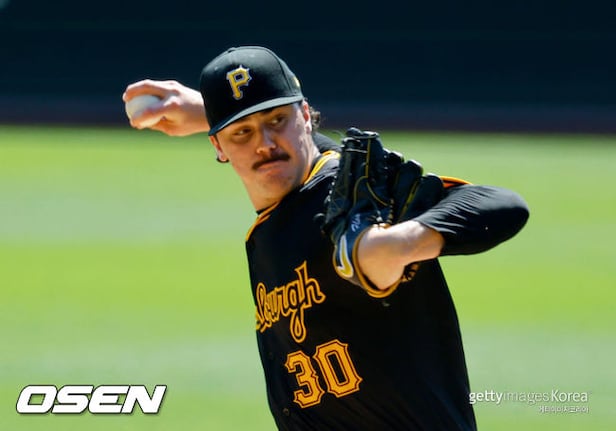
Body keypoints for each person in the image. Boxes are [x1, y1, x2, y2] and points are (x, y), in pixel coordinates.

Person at [123, 46, 529, 430]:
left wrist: (398, 245)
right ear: (218, 145)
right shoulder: (279, 213)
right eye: (242, 132)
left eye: (277, 120)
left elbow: (504, 205)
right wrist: (208, 110)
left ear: (306, 115)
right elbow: (287, 147)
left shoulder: (355, 202)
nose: (265, 144)